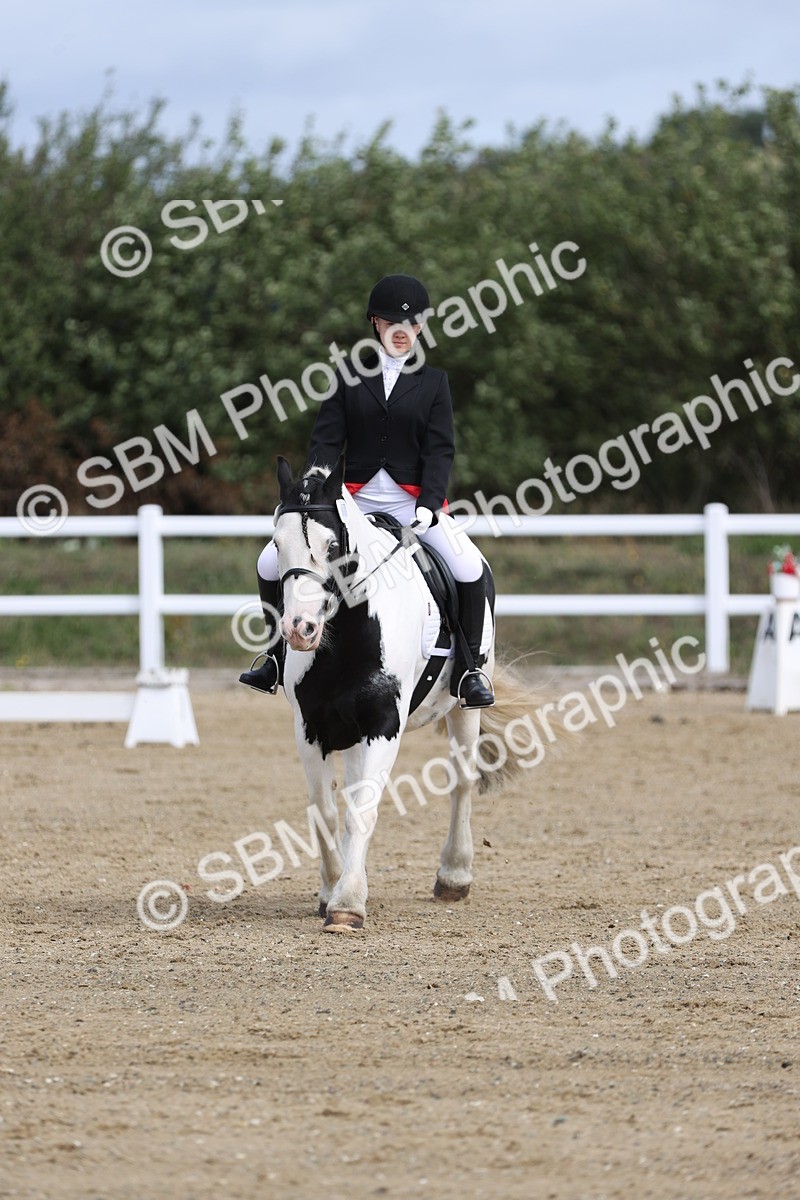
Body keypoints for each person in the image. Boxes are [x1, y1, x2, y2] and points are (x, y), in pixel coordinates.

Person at [239, 273, 495, 708]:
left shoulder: (435, 383)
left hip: (413, 500)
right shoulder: (347, 375)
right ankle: (276, 656)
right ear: (376, 324)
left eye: (411, 324)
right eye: (392, 323)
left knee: (468, 565)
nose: (402, 332)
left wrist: (431, 505)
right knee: (269, 560)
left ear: (419, 328)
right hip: (351, 498)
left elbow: (441, 450)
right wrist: (316, 482)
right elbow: (325, 440)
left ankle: (470, 669)